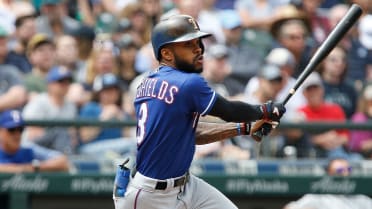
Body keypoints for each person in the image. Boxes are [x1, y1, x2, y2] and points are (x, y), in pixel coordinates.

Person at [113, 14, 286, 209]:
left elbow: (189, 131)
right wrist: (265, 110)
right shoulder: (187, 82)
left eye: (198, 42)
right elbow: (228, 110)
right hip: (151, 197)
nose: (199, 49)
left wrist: (244, 128)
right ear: (167, 54)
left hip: (185, 185)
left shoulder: (147, 82)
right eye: (188, 44)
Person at [283, 157, 372, 209]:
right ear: (330, 174)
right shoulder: (319, 197)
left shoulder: (360, 198)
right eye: (340, 171)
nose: (345, 174)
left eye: (348, 170)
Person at [0, 109, 69, 173]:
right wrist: (21, 169)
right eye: (11, 130)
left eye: (20, 129)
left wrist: (35, 167)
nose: (17, 134)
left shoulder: (27, 148)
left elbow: (62, 161)